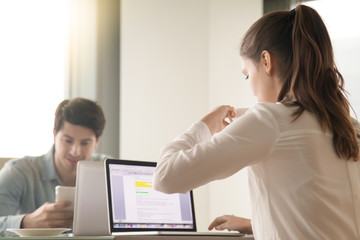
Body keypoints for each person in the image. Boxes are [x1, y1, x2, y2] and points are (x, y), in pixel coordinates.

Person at [153, 4, 360, 240]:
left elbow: (165, 177)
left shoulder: (269, 119)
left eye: (247, 75)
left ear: (266, 61)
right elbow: (326, 216)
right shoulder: (347, 125)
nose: (251, 87)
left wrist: (206, 124)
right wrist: (256, 224)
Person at [0, 97, 108, 236]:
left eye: (85, 143)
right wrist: (26, 222)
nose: (75, 151)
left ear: (97, 142)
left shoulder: (108, 170)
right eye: (68, 141)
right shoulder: (19, 171)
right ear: (54, 134)